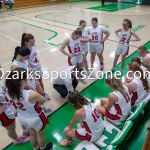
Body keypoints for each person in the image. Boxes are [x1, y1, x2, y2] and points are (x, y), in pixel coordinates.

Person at [5, 68, 53, 150]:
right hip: (35, 118)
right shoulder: (31, 94)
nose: (27, 78)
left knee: (32, 134)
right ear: (22, 81)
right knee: (40, 135)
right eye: (26, 77)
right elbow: (43, 100)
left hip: (22, 117)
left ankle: (36, 148)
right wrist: (35, 90)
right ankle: (43, 148)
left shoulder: (7, 92)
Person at [11, 46, 51, 113]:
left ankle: (42, 107)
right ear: (20, 56)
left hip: (32, 80)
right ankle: (42, 108)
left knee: (42, 94)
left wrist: (36, 80)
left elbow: (31, 69)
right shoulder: (15, 66)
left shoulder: (24, 60)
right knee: (36, 99)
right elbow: (20, 82)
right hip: (27, 85)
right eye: (27, 57)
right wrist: (32, 89)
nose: (29, 58)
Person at [0, 66, 30, 145]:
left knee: (20, 114)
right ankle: (17, 140)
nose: (0, 71)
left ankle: (25, 130)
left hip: (9, 106)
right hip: (3, 114)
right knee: (11, 130)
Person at [21, 33, 50, 100]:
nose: (33, 44)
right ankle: (38, 97)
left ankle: (43, 94)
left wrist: (36, 59)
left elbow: (34, 54)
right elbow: (24, 61)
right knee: (35, 85)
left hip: (37, 66)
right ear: (26, 42)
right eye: (32, 43)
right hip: (31, 70)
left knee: (40, 81)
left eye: (34, 42)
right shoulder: (24, 51)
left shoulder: (34, 46)